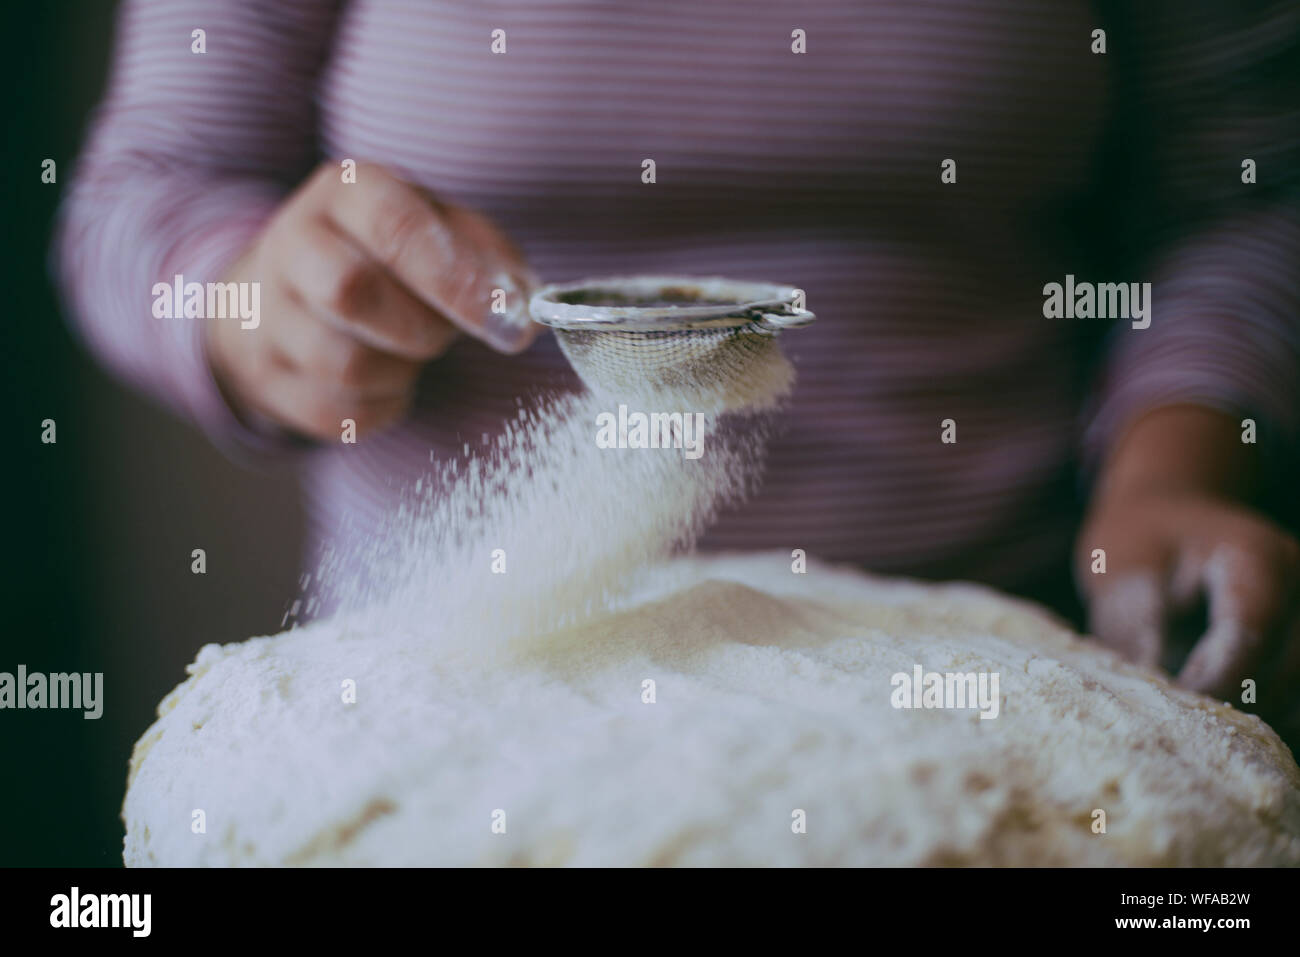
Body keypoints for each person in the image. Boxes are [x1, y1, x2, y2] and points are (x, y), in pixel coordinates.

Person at [56, 1, 1298, 715]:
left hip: (980, 672)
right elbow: (142, 191)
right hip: (465, 682)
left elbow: (1246, 191)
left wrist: (1172, 469)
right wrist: (252, 302)